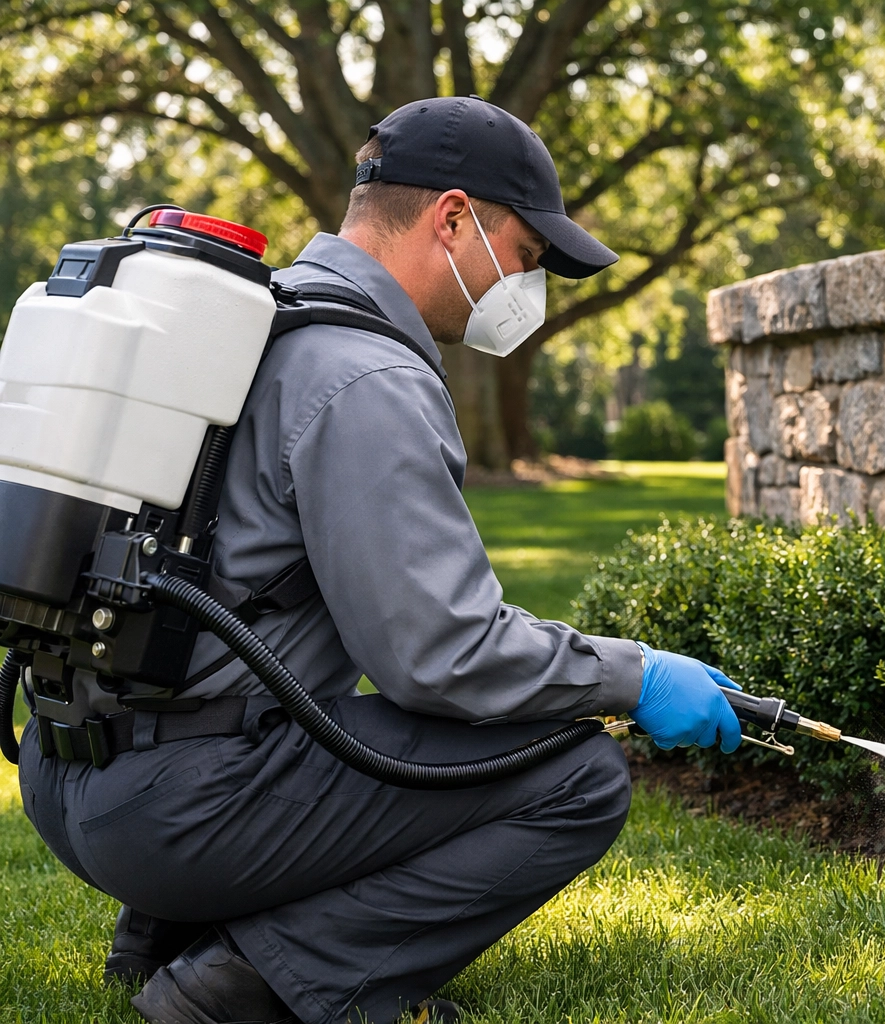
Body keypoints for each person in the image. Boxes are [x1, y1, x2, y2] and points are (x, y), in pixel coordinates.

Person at [17, 96, 743, 1024]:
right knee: (574, 777)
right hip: (175, 812)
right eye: (525, 257)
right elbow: (441, 655)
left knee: (288, 694)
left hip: (66, 771)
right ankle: (249, 994)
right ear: (453, 218)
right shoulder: (367, 376)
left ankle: (161, 940)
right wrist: (634, 676)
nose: (527, 289)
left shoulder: (257, 320)